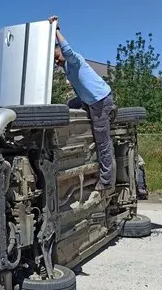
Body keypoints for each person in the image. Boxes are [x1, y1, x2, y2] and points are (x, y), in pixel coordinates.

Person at [49, 15, 116, 191]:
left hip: (100, 100)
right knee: (69, 106)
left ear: (61, 51)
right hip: (89, 100)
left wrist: (56, 30)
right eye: (55, 60)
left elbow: (67, 50)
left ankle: (106, 181)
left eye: (57, 56)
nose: (57, 61)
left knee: (103, 142)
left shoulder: (74, 59)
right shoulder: (67, 69)